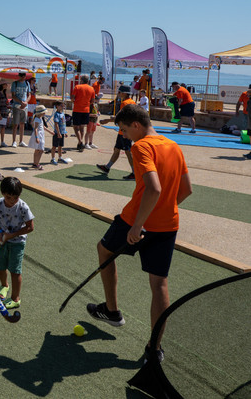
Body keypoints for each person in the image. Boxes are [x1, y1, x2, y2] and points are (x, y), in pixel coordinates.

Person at [87, 104, 192, 363]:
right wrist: (165, 209)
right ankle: (154, 349)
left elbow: (153, 189)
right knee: (160, 285)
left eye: (124, 129)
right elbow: (187, 189)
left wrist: (138, 225)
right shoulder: (173, 146)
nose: (123, 135)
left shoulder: (141, 147)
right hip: (168, 224)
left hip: (135, 220)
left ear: (136, 125)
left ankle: (112, 311)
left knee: (104, 250)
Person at [0, 177, 35, 309]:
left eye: (15, 197)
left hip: (17, 243)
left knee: (15, 271)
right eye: (9, 197)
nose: (12, 201)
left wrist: (11, 235)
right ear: (3, 193)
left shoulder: (23, 207)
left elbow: (30, 227)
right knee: (0, 266)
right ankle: (4, 285)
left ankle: (15, 298)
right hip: (2, 240)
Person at [96, 84, 137, 180]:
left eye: (119, 92)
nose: (118, 94)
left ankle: (135, 172)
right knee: (117, 149)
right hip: (123, 131)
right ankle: (107, 167)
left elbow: (120, 117)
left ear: (123, 93)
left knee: (128, 151)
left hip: (125, 131)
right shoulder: (132, 102)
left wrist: (106, 120)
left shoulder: (125, 103)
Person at [71, 74, 96, 151]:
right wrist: (87, 103)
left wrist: (75, 102)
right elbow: (92, 101)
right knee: (82, 127)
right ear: (88, 81)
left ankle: (80, 141)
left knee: (76, 127)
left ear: (81, 80)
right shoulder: (91, 89)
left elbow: (72, 98)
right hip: (86, 110)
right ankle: (79, 143)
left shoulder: (77, 87)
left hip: (77, 109)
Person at [28, 104, 52, 170]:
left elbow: (43, 127)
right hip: (38, 135)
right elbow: (35, 129)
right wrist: (37, 137)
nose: (44, 113)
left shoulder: (40, 118)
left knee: (37, 150)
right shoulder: (37, 119)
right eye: (43, 112)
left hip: (40, 135)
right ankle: (37, 163)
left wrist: (50, 132)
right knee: (40, 150)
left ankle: (35, 163)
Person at [10, 72, 29, 147]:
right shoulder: (15, 83)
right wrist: (21, 102)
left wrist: (26, 102)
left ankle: (21, 141)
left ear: (24, 76)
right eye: (20, 76)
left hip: (25, 106)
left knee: (22, 124)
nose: (20, 77)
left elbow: (29, 94)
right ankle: (14, 141)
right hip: (17, 105)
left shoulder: (27, 84)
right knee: (15, 124)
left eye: (22, 76)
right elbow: (13, 96)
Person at [235, 85, 251, 159]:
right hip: (247, 115)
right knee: (248, 130)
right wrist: (237, 111)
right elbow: (239, 103)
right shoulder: (244, 94)